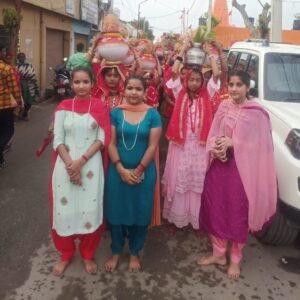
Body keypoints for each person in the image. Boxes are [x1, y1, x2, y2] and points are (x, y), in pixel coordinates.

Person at [198, 70, 277, 280]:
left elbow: (263, 147)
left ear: (247, 87)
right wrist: (216, 147)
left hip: (242, 173)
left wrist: (235, 143)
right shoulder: (224, 106)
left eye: (238, 85)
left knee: (237, 213)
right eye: (231, 84)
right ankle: (218, 254)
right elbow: (215, 132)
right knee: (216, 209)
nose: (233, 89)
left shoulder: (257, 113)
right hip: (220, 166)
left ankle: (235, 258)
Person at [50, 66, 111, 275]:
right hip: (64, 168)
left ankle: (87, 253)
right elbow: (57, 139)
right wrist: (70, 164)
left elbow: (102, 139)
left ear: (92, 83)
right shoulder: (63, 107)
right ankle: (66, 254)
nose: (81, 86)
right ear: (71, 83)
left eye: (86, 82)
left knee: (90, 210)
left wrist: (80, 162)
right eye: (77, 82)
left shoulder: (100, 107)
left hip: (90, 166)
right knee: (63, 211)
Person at [104, 76, 162, 272]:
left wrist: (138, 171)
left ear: (145, 92)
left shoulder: (153, 114)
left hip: (143, 173)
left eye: (138, 89)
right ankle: (116, 250)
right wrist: (120, 169)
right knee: (116, 212)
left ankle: (135, 252)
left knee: (141, 213)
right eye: (130, 88)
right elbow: (110, 143)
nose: (134, 92)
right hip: (116, 171)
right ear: (124, 90)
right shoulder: (115, 113)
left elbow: (153, 146)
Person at [162, 39, 220, 231]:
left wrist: (208, 53)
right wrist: (183, 51)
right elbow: (175, 72)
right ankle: (179, 216)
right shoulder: (180, 94)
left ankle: (196, 217)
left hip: (200, 145)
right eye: (192, 80)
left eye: (198, 80)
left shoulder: (207, 94)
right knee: (180, 178)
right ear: (187, 81)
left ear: (202, 82)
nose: (195, 83)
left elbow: (217, 75)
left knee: (198, 179)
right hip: (181, 144)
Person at [0, 44, 22, 169]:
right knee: (8, 131)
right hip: (4, 106)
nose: (4, 53)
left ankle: (1, 160)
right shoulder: (6, 68)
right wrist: (19, 103)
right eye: (3, 51)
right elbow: (14, 89)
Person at [16, 52, 39, 121]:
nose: (21, 58)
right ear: (18, 58)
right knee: (20, 101)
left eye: (23, 57)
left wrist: (34, 83)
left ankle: (25, 113)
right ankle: (21, 114)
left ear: (25, 58)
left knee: (29, 101)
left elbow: (32, 74)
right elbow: (15, 75)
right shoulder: (16, 66)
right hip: (19, 85)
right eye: (20, 57)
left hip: (29, 85)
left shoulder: (29, 65)